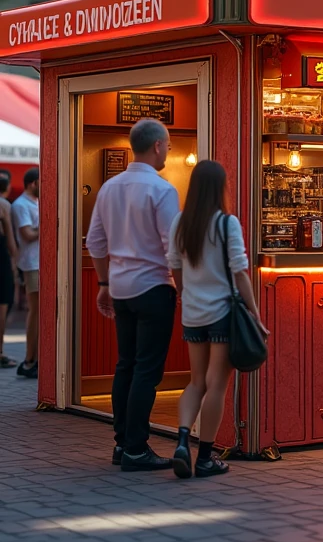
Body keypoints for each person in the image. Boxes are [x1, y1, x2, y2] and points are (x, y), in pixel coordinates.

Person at [87, 119, 180, 471]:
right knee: (147, 370)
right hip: (154, 287)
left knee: (125, 365)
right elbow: (174, 248)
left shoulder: (110, 187)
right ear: (157, 146)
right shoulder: (162, 190)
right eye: (167, 145)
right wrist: (184, 290)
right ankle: (137, 448)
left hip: (121, 289)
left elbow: (95, 241)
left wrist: (104, 284)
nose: (168, 150)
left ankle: (122, 443)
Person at [168, 160, 268, 479]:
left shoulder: (180, 223)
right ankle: (206, 458)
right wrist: (254, 311)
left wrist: (185, 294)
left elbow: (175, 266)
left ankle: (183, 440)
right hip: (224, 314)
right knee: (217, 385)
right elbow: (239, 271)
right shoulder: (227, 224)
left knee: (196, 381)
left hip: (193, 313)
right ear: (221, 187)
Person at [11, 168, 39, 379]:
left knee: (41, 312)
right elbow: (28, 235)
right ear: (32, 184)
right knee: (36, 311)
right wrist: (49, 223)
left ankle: (35, 359)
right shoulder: (21, 205)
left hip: (40, 263)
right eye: (42, 182)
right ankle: (30, 359)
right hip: (31, 264)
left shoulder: (35, 203)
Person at [0, 171, 18, 368]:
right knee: (3, 304)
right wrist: (15, 261)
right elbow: (11, 239)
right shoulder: (4, 205)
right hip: (1, 256)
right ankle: (0, 351)